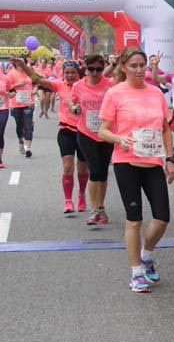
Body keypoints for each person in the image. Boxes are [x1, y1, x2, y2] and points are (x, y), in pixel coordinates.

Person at [96, 48, 174, 293]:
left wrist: (170, 159)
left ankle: (147, 254)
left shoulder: (155, 93)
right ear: (123, 67)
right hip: (126, 162)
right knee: (134, 220)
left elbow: (164, 129)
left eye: (142, 65)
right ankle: (136, 273)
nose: (139, 70)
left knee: (162, 218)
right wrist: (120, 139)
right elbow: (103, 131)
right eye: (134, 66)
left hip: (152, 162)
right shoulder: (115, 93)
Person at [15, 58, 90, 213]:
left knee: (82, 169)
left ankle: (82, 195)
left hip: (84, 132)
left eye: (73, 73)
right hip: (66, 131)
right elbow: (37, 79)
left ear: (79, 73)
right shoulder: (59, 85)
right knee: (68, 167)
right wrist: (23, 65)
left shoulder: (85, 85)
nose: (70, 76)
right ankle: (68, 201)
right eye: (67, 73)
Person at [73, 53, 116, 226]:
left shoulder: (111, 85)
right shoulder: (78, 85)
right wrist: (74, 108)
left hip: (105, 133)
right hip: (86, 133)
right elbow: (73, 102)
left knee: (103, 171)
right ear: (86, 68)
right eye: (91, 69)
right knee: (95, 170)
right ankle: (93, 210)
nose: (95, 73)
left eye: (99, 69)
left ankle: (101, 207)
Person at [7, 55, 36, 158]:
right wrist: (18, 85)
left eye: (22, 63)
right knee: (19, 125)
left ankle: (28, 148)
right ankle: (21, 141)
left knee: (28, 125)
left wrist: (34, 90)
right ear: (16, 64)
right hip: (16, 103)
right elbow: (8, 88)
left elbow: (38, 83)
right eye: (19, 64)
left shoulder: (30, 73)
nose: (21, 66)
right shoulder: (11, 75)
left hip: (29, 102)